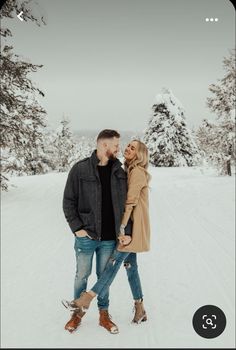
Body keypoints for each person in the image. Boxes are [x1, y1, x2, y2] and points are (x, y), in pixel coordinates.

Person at [63, 140, 151, 332]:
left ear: (140, 154)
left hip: (132, 230)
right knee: (131, 267)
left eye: (132, 148)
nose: (126, 149)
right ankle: (140, 307)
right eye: (127, 146)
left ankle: (87, 299)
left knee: (113, 264)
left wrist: (123, 231)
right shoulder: (126, 169)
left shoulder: (135, 172)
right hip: (129, 228)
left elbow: (129, 205)